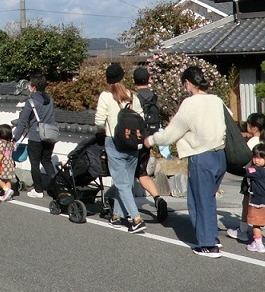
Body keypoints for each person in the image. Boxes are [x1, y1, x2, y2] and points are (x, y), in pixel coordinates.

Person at [148, 66, 229, 258]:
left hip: (201, 157)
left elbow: (170, 134)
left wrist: (151, 140)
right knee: (208, 199)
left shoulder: (190, 104)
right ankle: (212, 236)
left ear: (187, 83)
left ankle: (208, 244)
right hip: (220, 155)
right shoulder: (217, 101)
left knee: (198, 200)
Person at [95, 64, 147, 234]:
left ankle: (136, 219)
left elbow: (98, 121)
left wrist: (104, 129)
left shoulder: (105, 96)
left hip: (114, 141)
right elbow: (141, 118)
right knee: (126, 182)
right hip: (132, 143)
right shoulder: (132, 95)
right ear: (123, 77)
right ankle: (116, 216)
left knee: (121, 182)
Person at [228, 112, 265, 243]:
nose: (246, 126)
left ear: (254, 127)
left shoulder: (253, 142)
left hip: (253, 178)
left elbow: (243, 157)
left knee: (247, 204)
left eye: (248, 124)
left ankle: (242, 231)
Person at [12, 74, 58, 199]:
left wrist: (15, 138)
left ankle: (38, 190)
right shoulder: (50, 100)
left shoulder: (31, 102)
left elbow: (22, 122)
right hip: (49, 135)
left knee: (35, 163)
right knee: (47, 161)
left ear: (34, 87)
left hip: (36, 136)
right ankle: (56, 187)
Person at [133, 67, 169, 222]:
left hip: (134, 141)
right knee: (142, 173)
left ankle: (124, 209)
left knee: (128, 173)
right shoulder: (154, 97)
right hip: (149, 139)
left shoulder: (134, 98)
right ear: (148, 80)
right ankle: (158, 199)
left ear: (134, 81)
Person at [0, 123, 16, 202]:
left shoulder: (1, 144)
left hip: (2, 165)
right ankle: (8, 194)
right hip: (10, 164)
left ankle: (6, 190)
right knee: (7, 180)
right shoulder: (11, 144)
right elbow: (13, 149)